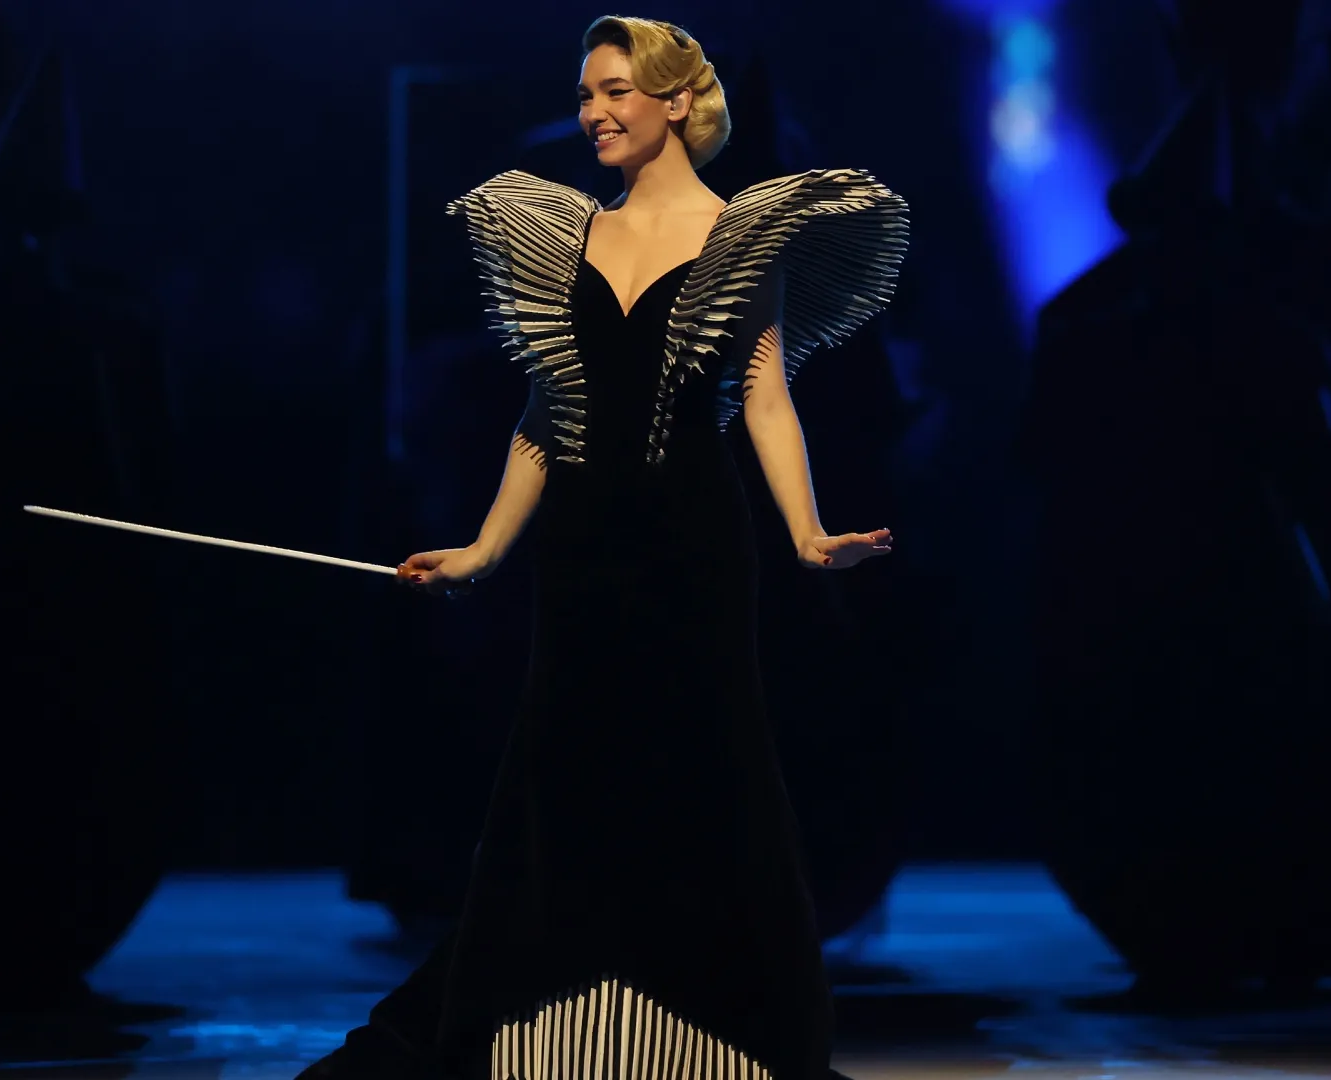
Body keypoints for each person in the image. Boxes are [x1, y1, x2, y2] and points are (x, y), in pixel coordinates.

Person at [303, 16, 907, 1080]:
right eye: (585, 93)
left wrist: (810, 534)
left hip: (694, 540)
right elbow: (546, 413)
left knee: (713, 770)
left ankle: (745, 1034)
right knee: (556, 768)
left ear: (676, 102)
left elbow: (767, 399)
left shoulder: (742, 235)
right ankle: (513, 1019)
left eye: (615, 90)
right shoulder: (571, 234)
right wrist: (486, 548)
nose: (592, 112)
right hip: (580, 548)